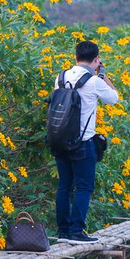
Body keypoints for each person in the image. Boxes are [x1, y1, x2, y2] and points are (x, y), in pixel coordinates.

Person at [53, 40, 119, 242]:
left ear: (75, 57)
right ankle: (76, 232)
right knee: (83, 187)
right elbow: (114, 98)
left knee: (64, 185)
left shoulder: (61, 77)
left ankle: (63, 231)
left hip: (60, 139)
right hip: (83, 142)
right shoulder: (94, 81)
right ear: (97, 59)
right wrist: (102, 75)